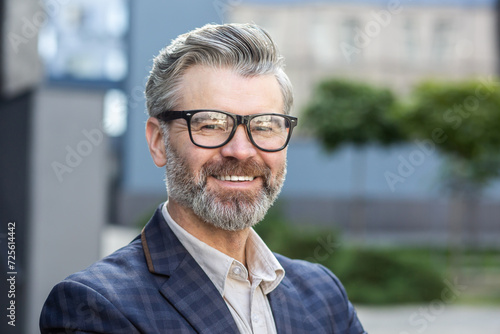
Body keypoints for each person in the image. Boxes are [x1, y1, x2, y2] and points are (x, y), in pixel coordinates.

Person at [40, 23, 366, 334]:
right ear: (158, 142)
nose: (241, 151)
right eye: (210, 125)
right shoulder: (95, 307)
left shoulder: (325, 296)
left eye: (264, 126)